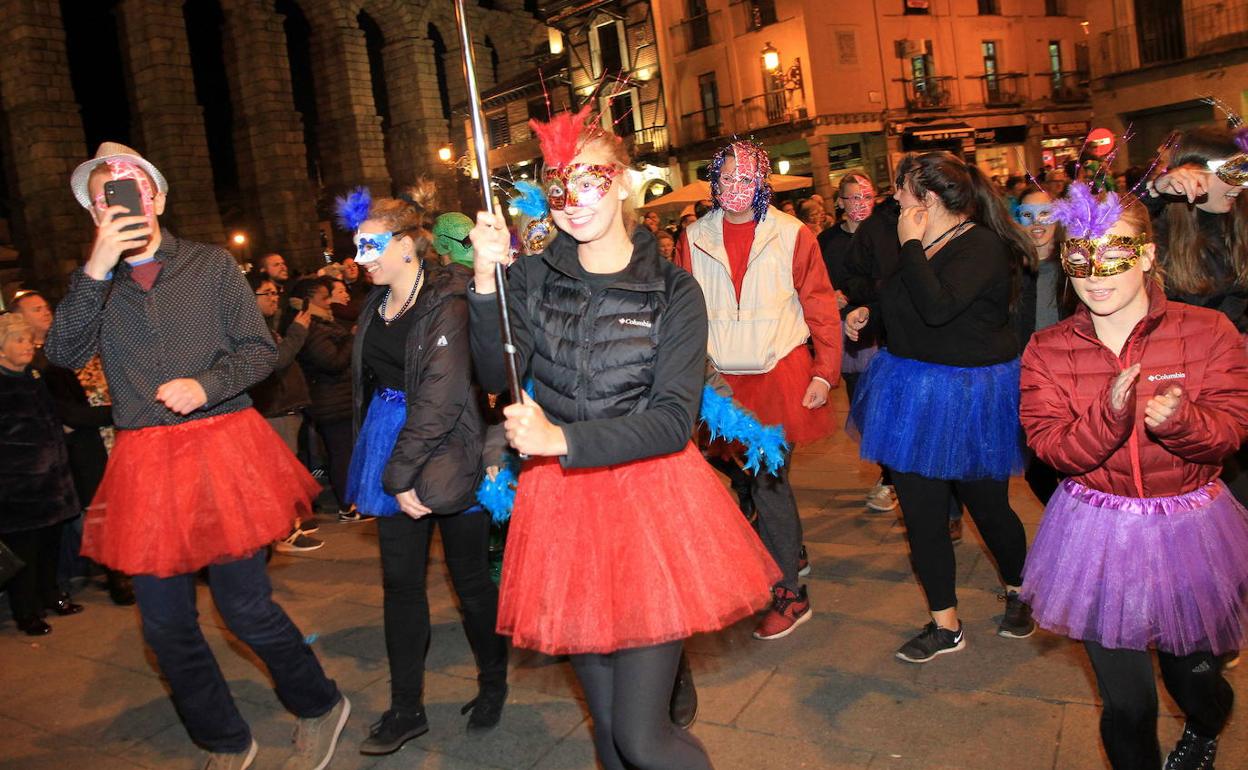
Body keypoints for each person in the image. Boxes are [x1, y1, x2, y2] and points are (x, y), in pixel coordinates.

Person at [468, 106, 779, 770]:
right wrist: (481, 282)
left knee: (643, 736)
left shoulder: (673, 292)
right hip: (564, 515)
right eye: (558, 186)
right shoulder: (526, 279)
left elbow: (672, 421)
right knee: (609, 737)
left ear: (622, 185)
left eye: (588, 181)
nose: (572, 202)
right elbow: (498, 374)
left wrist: (564, 442)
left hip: (650, 510)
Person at [46, 143, 348, 769]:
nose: (121, 200)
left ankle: (319, 703)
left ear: (153, 195)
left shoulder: (209, 266)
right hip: (146, 466)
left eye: (130, 188)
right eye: (107, 196)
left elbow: (258, 351)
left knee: (244, 608)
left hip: (221, 451)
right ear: (96, 212)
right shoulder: (94, 283)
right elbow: (63, 354)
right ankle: (225, 740)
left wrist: (205, 385)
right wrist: (95, 270)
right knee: (163, 626)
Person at [1020, 186, 1248, 770]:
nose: (1096, 276)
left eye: (1115, 253)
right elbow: (1051, 447)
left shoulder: (1210, 332)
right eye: (1080, 257)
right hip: (1097, 534)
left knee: (1193, 678)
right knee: (1127, 705)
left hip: (1191, 530)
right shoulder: (1046, 350)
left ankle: (1205, 722)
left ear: (1147, 255)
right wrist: (1108, 418)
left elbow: (1230, 434)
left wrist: (1183, 422)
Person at [329, 190, 509, 754]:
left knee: (471, 582)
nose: (361, 259)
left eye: (371, 246)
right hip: (392, 447)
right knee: (400, 588)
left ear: (407, 245)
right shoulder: (375, 307)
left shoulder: (448, 300)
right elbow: (367, 389)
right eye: (356, 248)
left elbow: (440, 396)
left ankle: (493, 684)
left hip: (451, 447)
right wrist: (379, 466)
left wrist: (400, 475)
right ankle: (405, 708)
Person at [844, 151, 1036, 662]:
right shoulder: (915, 242)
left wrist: (910, 244)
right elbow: (903, 299)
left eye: (901, 189)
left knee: (988, 507)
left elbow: (938, 307)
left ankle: (1021, 589)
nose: (894, 198)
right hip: (912, 394)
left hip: (970, 397)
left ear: (927, 197)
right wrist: (869, 311)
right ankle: (944, 624)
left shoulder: (982, 246)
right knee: (923, 515)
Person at [675, 139, 841, 640]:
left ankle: (790, 591)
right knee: (742, 478)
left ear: (762, 182)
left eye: (745, 178)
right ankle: (786, 547)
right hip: (720, 380)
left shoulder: (793, 234)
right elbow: (682, 311)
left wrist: (823, 372)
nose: (734, 188)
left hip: (778, 372)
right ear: (713, 181)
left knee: (769, 482)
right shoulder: (693, 236)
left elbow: (819, 305)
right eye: (725, 178)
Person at [1145, 126, 1248, 509]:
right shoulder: (1158, 235)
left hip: (1233, 379)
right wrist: (1155, 192)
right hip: (1182, 390)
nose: (1241, 184)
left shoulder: (1238, 224)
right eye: (1234, 173)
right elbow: (1101, 231)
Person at [12, 290, 132, 604]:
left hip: (115, 437)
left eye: (46, 306)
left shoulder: (80, 350)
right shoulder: (35, 362)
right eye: (37, 309)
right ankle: (116, 576)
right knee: (99, 514)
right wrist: (117, 410)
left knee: (126, 507)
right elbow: (64, 412)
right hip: (84, 445)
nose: (46, 312)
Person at [0, 313, 82, 635]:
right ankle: (26, 611)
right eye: (18, 340)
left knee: (50, 545)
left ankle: (52, 595)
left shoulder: (34, 376)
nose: (28, 346)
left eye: (29, 339)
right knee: (25, 553)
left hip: (52, 482)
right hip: (18, 487)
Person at [248, 275, 322, 553]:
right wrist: (297, 332)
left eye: (275, 292)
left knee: (286, 473)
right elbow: (277, 361)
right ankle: (285, 531)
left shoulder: (266, 326)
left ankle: (291, 524)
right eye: (266, 293)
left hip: (285, 408)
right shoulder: (253, 330)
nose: (274, 297)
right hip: (273, 410)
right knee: (278, 476)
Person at [293, 276, 360, 524]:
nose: (329, 302)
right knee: (341, 454)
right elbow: (332, 362)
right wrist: (352, 338)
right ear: (310, 301)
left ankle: (352, 502)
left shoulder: (324, 323)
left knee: (346, 453)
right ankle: (347, 505)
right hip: (330, 401)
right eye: (324, 298)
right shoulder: (312, 328)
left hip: (339, 398)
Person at [1013, 189, 1065, 506]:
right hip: (1026, 383)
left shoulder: (1076, 266)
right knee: (1036, 468)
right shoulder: (1008, 269)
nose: (1037, 224)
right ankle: (1068, 518)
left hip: (1072, 381)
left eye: (1045, 214)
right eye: (1028, 215)